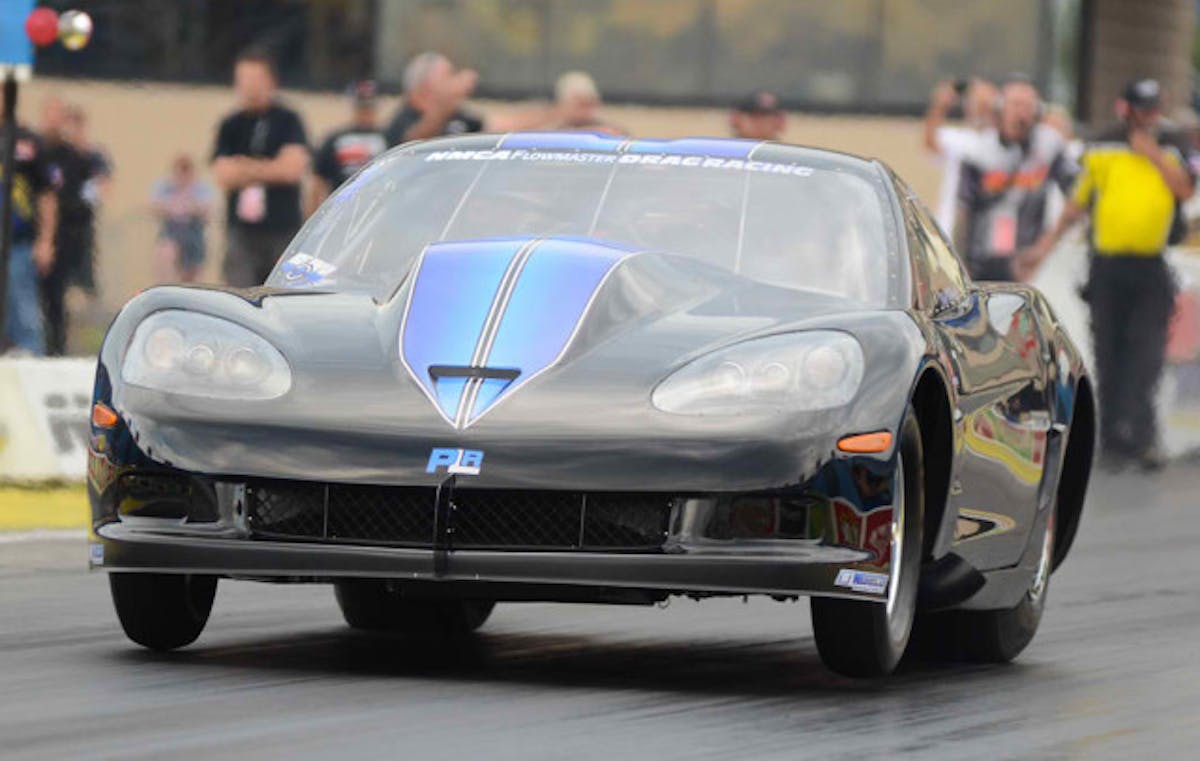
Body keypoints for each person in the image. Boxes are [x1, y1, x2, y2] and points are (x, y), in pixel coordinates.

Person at [1020, 78, 1196, 471]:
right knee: (1109, 351)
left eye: (1154, 108)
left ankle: (1143, 436)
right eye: (1141, 109)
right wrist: (1041, 250)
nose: (1148, 117)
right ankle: (1113, 438)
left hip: (1151, 266)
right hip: (1107, 266)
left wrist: (1151, 153)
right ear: (1126, 108)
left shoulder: (1173, 142)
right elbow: (1076, 206)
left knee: (1146, 353)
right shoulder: (1102, 144)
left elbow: (1184, 189)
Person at [953, 75, 1076, 281]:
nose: (1022, 114)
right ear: (1000, 108)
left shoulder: (1048, 145)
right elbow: (963, 209)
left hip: (1028, 258)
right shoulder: (979, 149)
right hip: (983, 258)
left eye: (1028, 107)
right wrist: (958, 261)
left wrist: (1044, 246)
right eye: (1015, 105)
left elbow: (1077, 195)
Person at [211, 49, 309, 287]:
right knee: (239, 294)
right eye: (242, 80)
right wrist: (270, 167)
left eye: (255, 80)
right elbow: (224, 174)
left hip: (282, 229)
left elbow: (292, 169)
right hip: (242, 232)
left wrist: (245, 167)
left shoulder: (288, 121)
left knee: (284, 292)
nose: (248, 88)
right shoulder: (231, 125)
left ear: (271, 82)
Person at [38, 100, 111, 355]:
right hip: (48, 233)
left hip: (73, 234)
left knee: (66, 294)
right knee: (42, 297)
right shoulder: (41, 152)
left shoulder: (80, 157)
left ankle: (61, 348)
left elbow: (98, 188)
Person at [384, 52, 554, 147]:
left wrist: (558, 112)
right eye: (449, 75)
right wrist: (449, 99)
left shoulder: (457, 115)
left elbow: (500, 126)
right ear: (426, 85)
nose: (454, 81)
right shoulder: (403, 119)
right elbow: (412, 144)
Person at [0, 99, 58, 355]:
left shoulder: (27, 142)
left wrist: (45, 240)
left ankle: (31, 360)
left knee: (24, 312)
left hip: (18, 243)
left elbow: (46, 195)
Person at [922, 77, 998, 235]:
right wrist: (940, 106)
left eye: (982, 101)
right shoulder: (958, 138)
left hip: (987, 231)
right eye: (972, 101)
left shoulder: (1002, 141)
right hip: (951, 227)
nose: (976, 106)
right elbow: (930, 143)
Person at [308, 80, 387, 216]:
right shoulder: (335, 140)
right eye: (362, 108)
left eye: (369, 108)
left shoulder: (388, 138)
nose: (366, 113)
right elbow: (318, 182)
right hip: (341, 214)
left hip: (378, 213)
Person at [151, 155, 214, 283]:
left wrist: (189, 206)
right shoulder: (165, 187)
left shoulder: (201, 188)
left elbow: (207, 209)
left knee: (193, 272)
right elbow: (154, 206)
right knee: (166, 258)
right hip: (171, 231)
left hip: (194, 232)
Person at [552, 71, 625, 135]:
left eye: (589, 103)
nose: (586, 110)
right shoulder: (552, 134)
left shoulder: (611, 133)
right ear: (562, 104)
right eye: (580, 104)